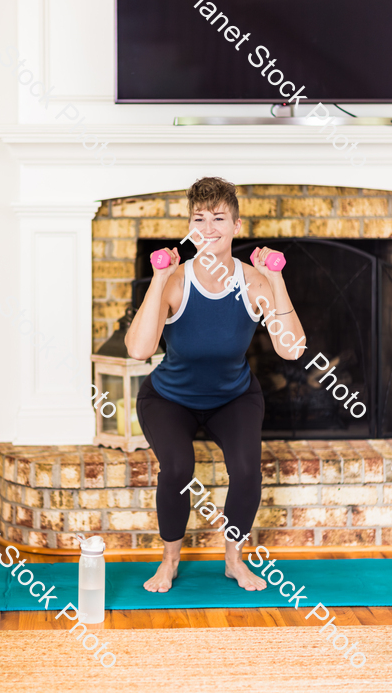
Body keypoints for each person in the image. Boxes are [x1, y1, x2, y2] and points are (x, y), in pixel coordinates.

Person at [125, 177, 305, 592]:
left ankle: (233, 560)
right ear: (189, 224)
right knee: (177, 467)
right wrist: (158, 278)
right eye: (199, 219)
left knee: (247, 472)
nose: (208, 229)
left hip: (233, 396)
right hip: (169, 398)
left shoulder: (252, 281)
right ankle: (169, 561)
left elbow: (293, 349)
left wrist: (275, 279)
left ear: (236, 225)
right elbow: (138, 350)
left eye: (218, 218)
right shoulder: (173, 281)